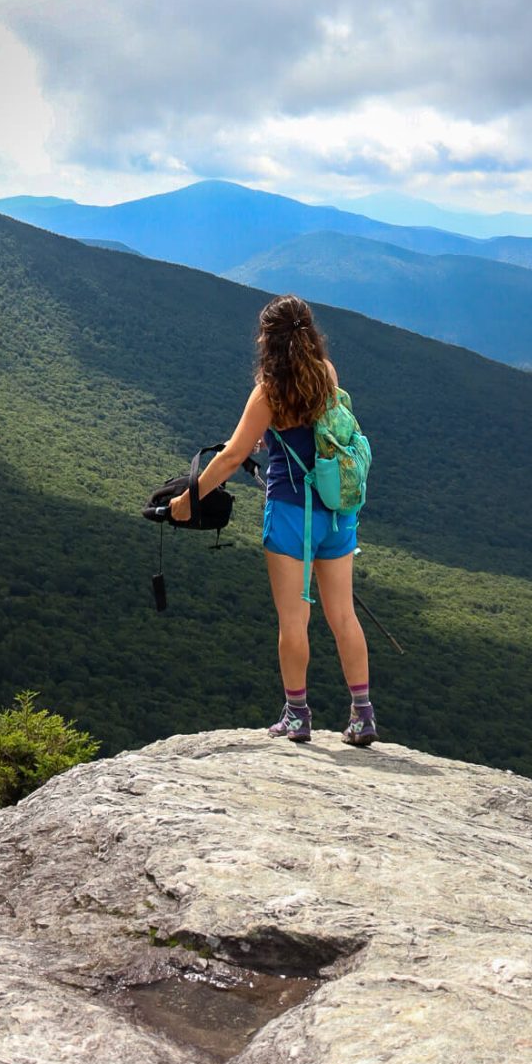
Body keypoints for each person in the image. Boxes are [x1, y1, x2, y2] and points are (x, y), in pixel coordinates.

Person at [170, 294, 376, 746]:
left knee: (293, 620)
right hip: (337, 514)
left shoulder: (268, 391)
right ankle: (362, 714)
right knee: (343, 616)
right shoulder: (326, 374)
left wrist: (189, 500)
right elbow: (318, 433)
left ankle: (297, 714)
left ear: (269, 339)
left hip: (289, 516)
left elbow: (230, 458)